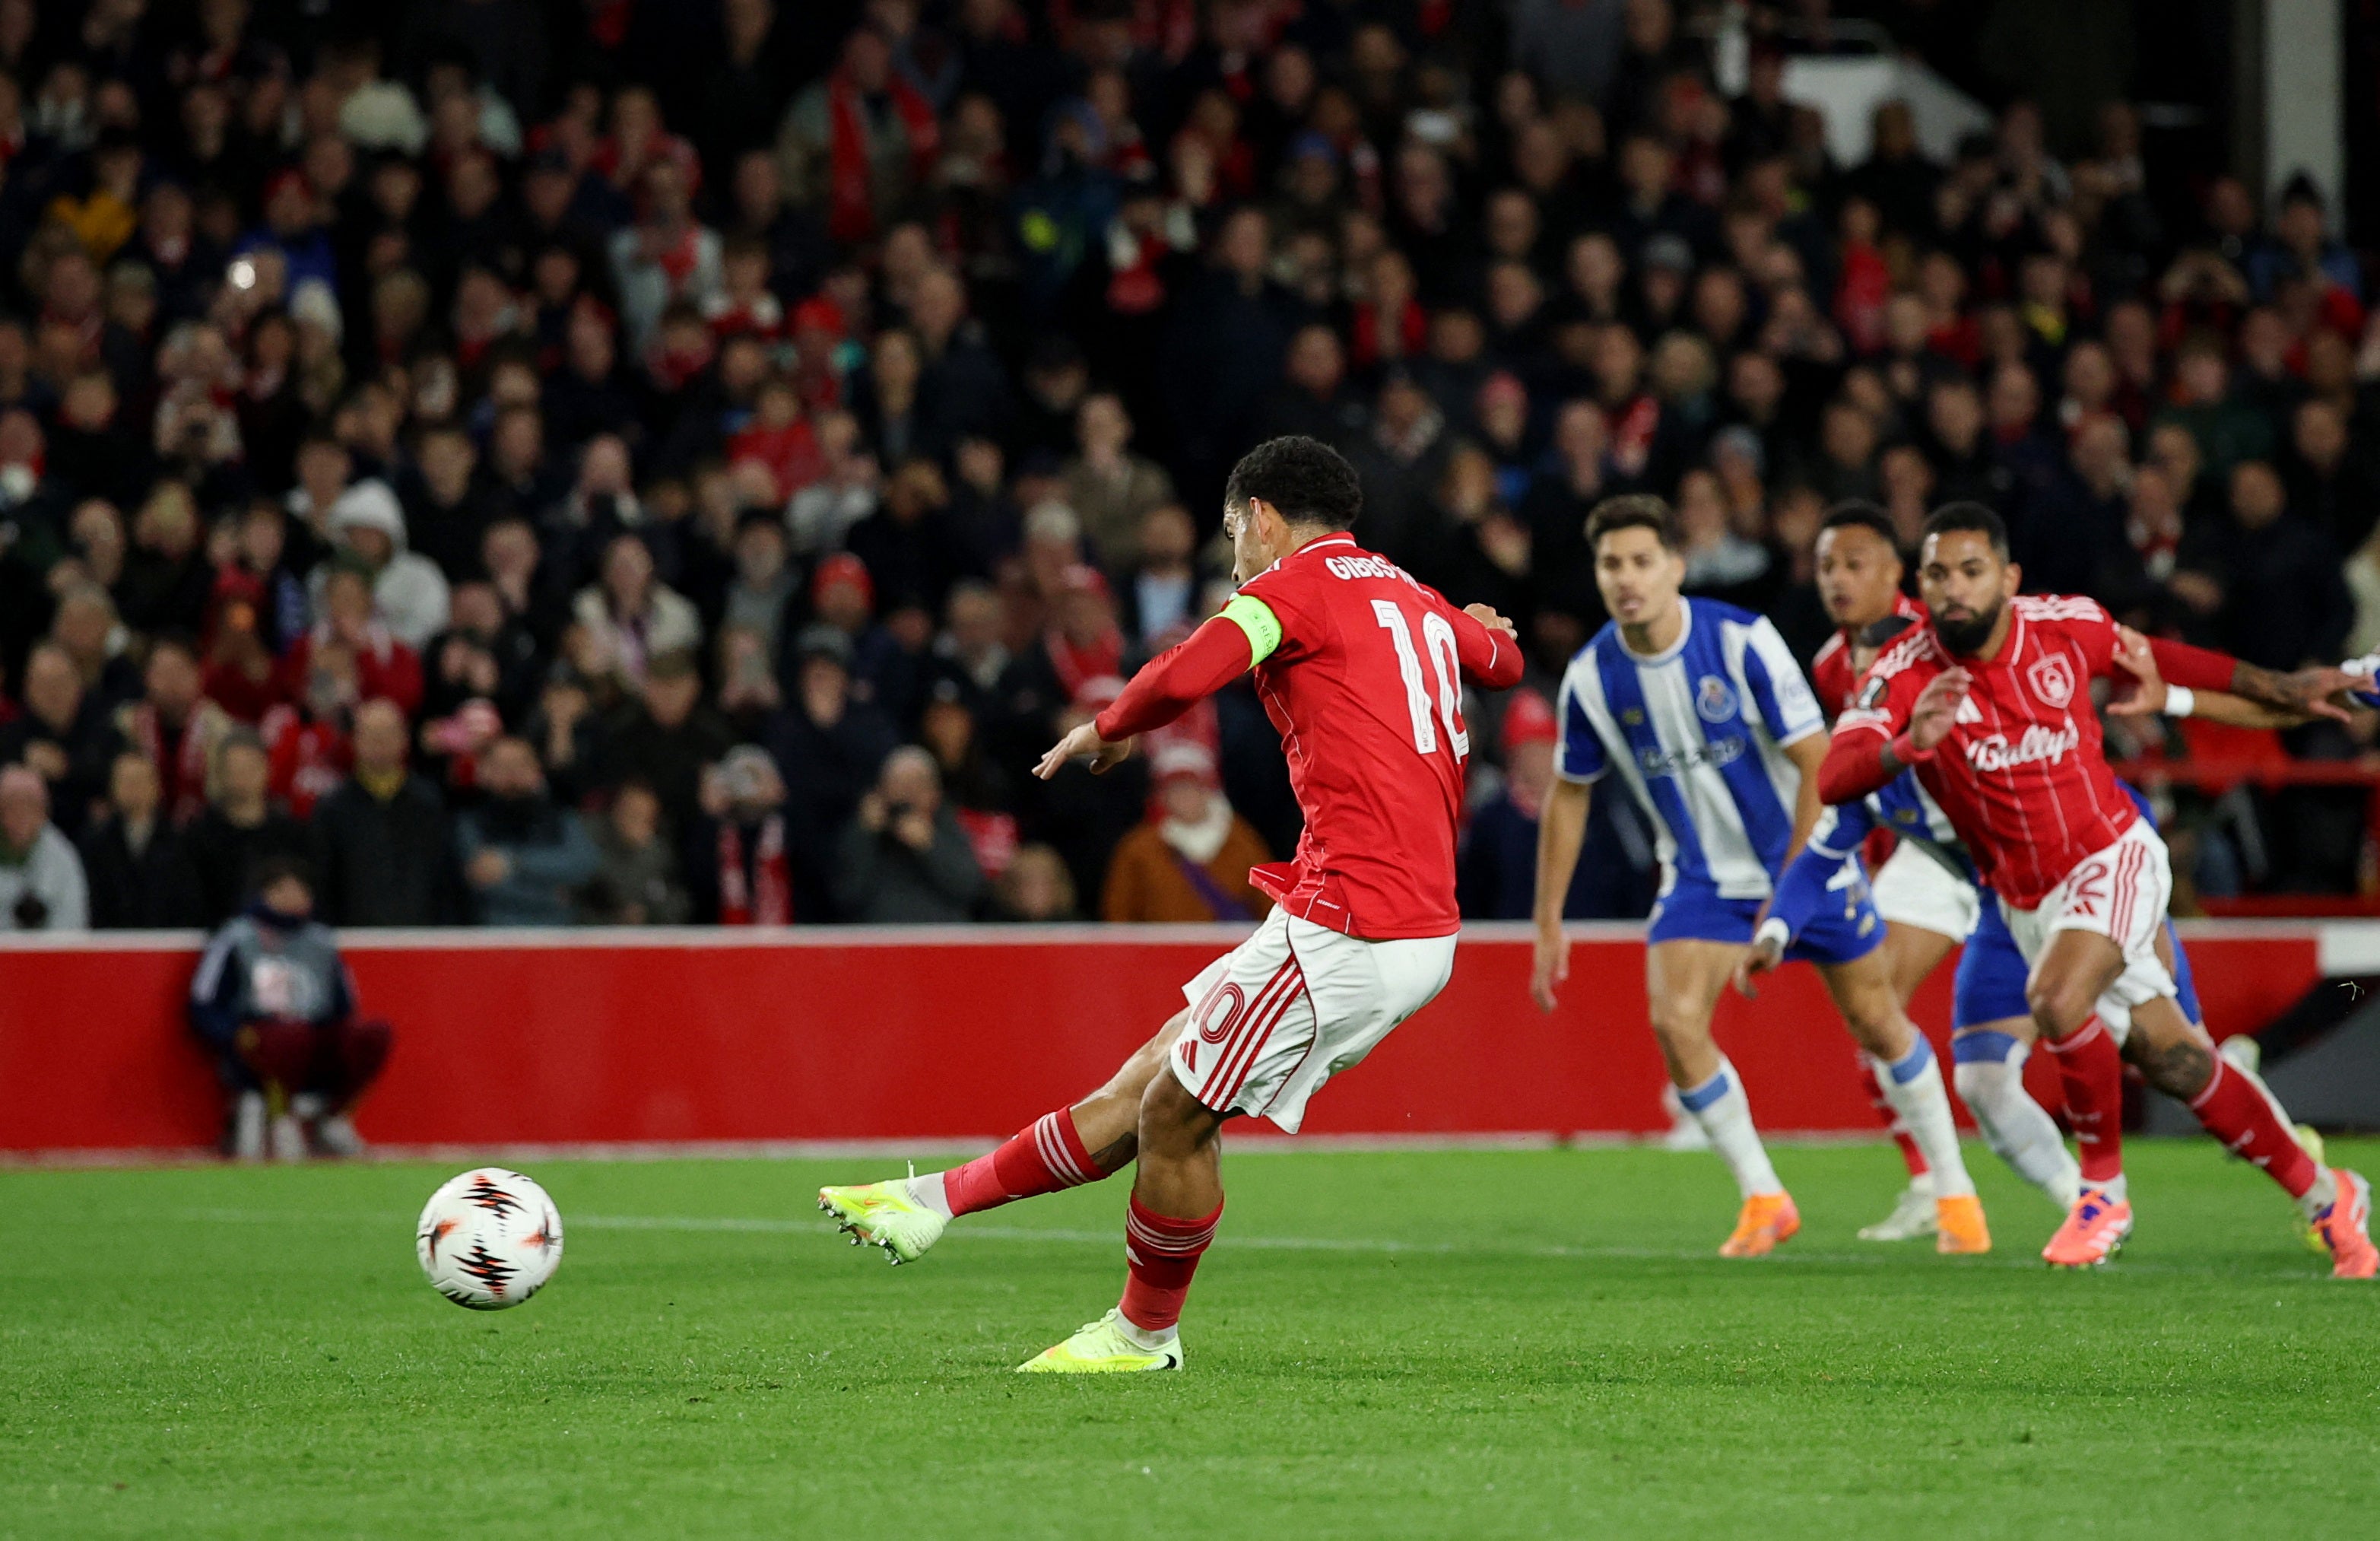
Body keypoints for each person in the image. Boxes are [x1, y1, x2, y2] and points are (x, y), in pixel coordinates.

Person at [818, 435, 1524, 1371]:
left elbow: (1194, 666)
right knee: (1149, 1078)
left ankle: (1143, 1334)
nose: (1233, 554)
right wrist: (1488, 629)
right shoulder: (1409, 591)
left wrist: (1107, 727)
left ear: (1263, 517)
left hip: (1355, 921)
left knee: (1173, 1112)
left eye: (1234, 531)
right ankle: (929, 1205)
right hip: (1373, 909)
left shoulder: (1292, 589)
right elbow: (1502, 666)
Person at [1819, 503, 2374, 1275]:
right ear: (1920, 584)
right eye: (1938, 574)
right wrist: (1905, 747)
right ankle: (2327, 1193)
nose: (1955, 590)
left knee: (2054, 1000)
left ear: (2007, 579)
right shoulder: (1902, 673)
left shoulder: (2064, 626)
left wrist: (2281, 687)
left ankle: (2101, 1191)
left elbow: (2173, 665)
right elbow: (1834, 774)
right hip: (2023, 898)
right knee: (2176, 1061)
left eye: (1972, 572)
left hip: (2111, 853)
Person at [1530, 496, 1988, 1258]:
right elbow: (1568, 795)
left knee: (1877, 1021)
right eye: (1612, 564)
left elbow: (1818, 762)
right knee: (1675, 1024)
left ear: (1675, 566)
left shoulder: (1742, 641)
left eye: (1642, 561)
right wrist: (1548, 920)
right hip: (1702, 878)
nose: (1626, 578)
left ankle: (1954, 1193)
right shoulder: (1589, 679)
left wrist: (1794, 884)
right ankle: (1764, 1196)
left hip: (1801, 859)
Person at [188, 856, 392, 1161]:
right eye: (285, 889)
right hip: (264, 1039)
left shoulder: (321, 942)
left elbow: (344, 1006)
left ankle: (334, 1119)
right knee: (285, 1037)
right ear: (264, 894)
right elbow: (203, 1002)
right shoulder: (238, 937)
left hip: (312, 1037)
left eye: (301, 890)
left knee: (372, 1034)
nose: (295, 897)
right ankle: (280, 1119)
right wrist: (232, 1036)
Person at [309, 698, 463, 926]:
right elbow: (323, 884)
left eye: (388, 733)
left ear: (404, 739)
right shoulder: (333, 808)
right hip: (355, 940)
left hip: (421, 938)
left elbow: (446, 879)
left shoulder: (428, 804)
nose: (379, 742)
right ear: (355, 741)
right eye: (371, 734)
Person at [1099, 739, 1271, 923]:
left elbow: (1268, 904)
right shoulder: (1140, 848)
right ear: (1161, 796)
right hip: (1161, 949)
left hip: (1232, 949)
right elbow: (1118, 915)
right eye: (1174, 789)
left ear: (1208, 790)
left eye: (1192, 787)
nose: (1184, 796)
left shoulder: (1242, 841)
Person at [832, 745, 986, 923]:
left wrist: (929, 844)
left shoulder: (949, 826)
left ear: (934, 793)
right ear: (880, 791)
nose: (908, 792)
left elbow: (970, 889)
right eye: (898, 783)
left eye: (917, 783)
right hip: (880, 939)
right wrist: (864, 833)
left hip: (941, 939)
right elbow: (846, 894)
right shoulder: (864, 831)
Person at [455, 737, 599, 927]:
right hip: (494, 937)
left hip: (559, 937)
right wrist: (553, 894)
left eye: (520, 764)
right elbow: (486, 885)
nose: (512, 775)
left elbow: (584, 866)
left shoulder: (562, 818)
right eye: (502, 766)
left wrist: (513, 862)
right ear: (485, 772)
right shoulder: (469, 824)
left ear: (536, 771)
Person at [185, 728, 311, 925]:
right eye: (233, 770)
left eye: (249, 769)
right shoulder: (199, 838)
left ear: (267, 770)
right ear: (220, 774)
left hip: (281, 947)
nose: (241, 778)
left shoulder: (292, 837)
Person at [78, 749, 205, 928]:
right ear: (112, 787)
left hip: (165, 945)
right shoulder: (96, 843)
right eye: (126, 781)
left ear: (156, 787)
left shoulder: (181, 843)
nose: (133, 788)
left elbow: (188, 904)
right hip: (111, 946)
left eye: (140, 781)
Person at [0, 764, 88, 930]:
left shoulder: (62, 856)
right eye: (12, 806)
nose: (21, 815)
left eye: (30, 806)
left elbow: (74, 916)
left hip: (50, 950)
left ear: (42, 812)